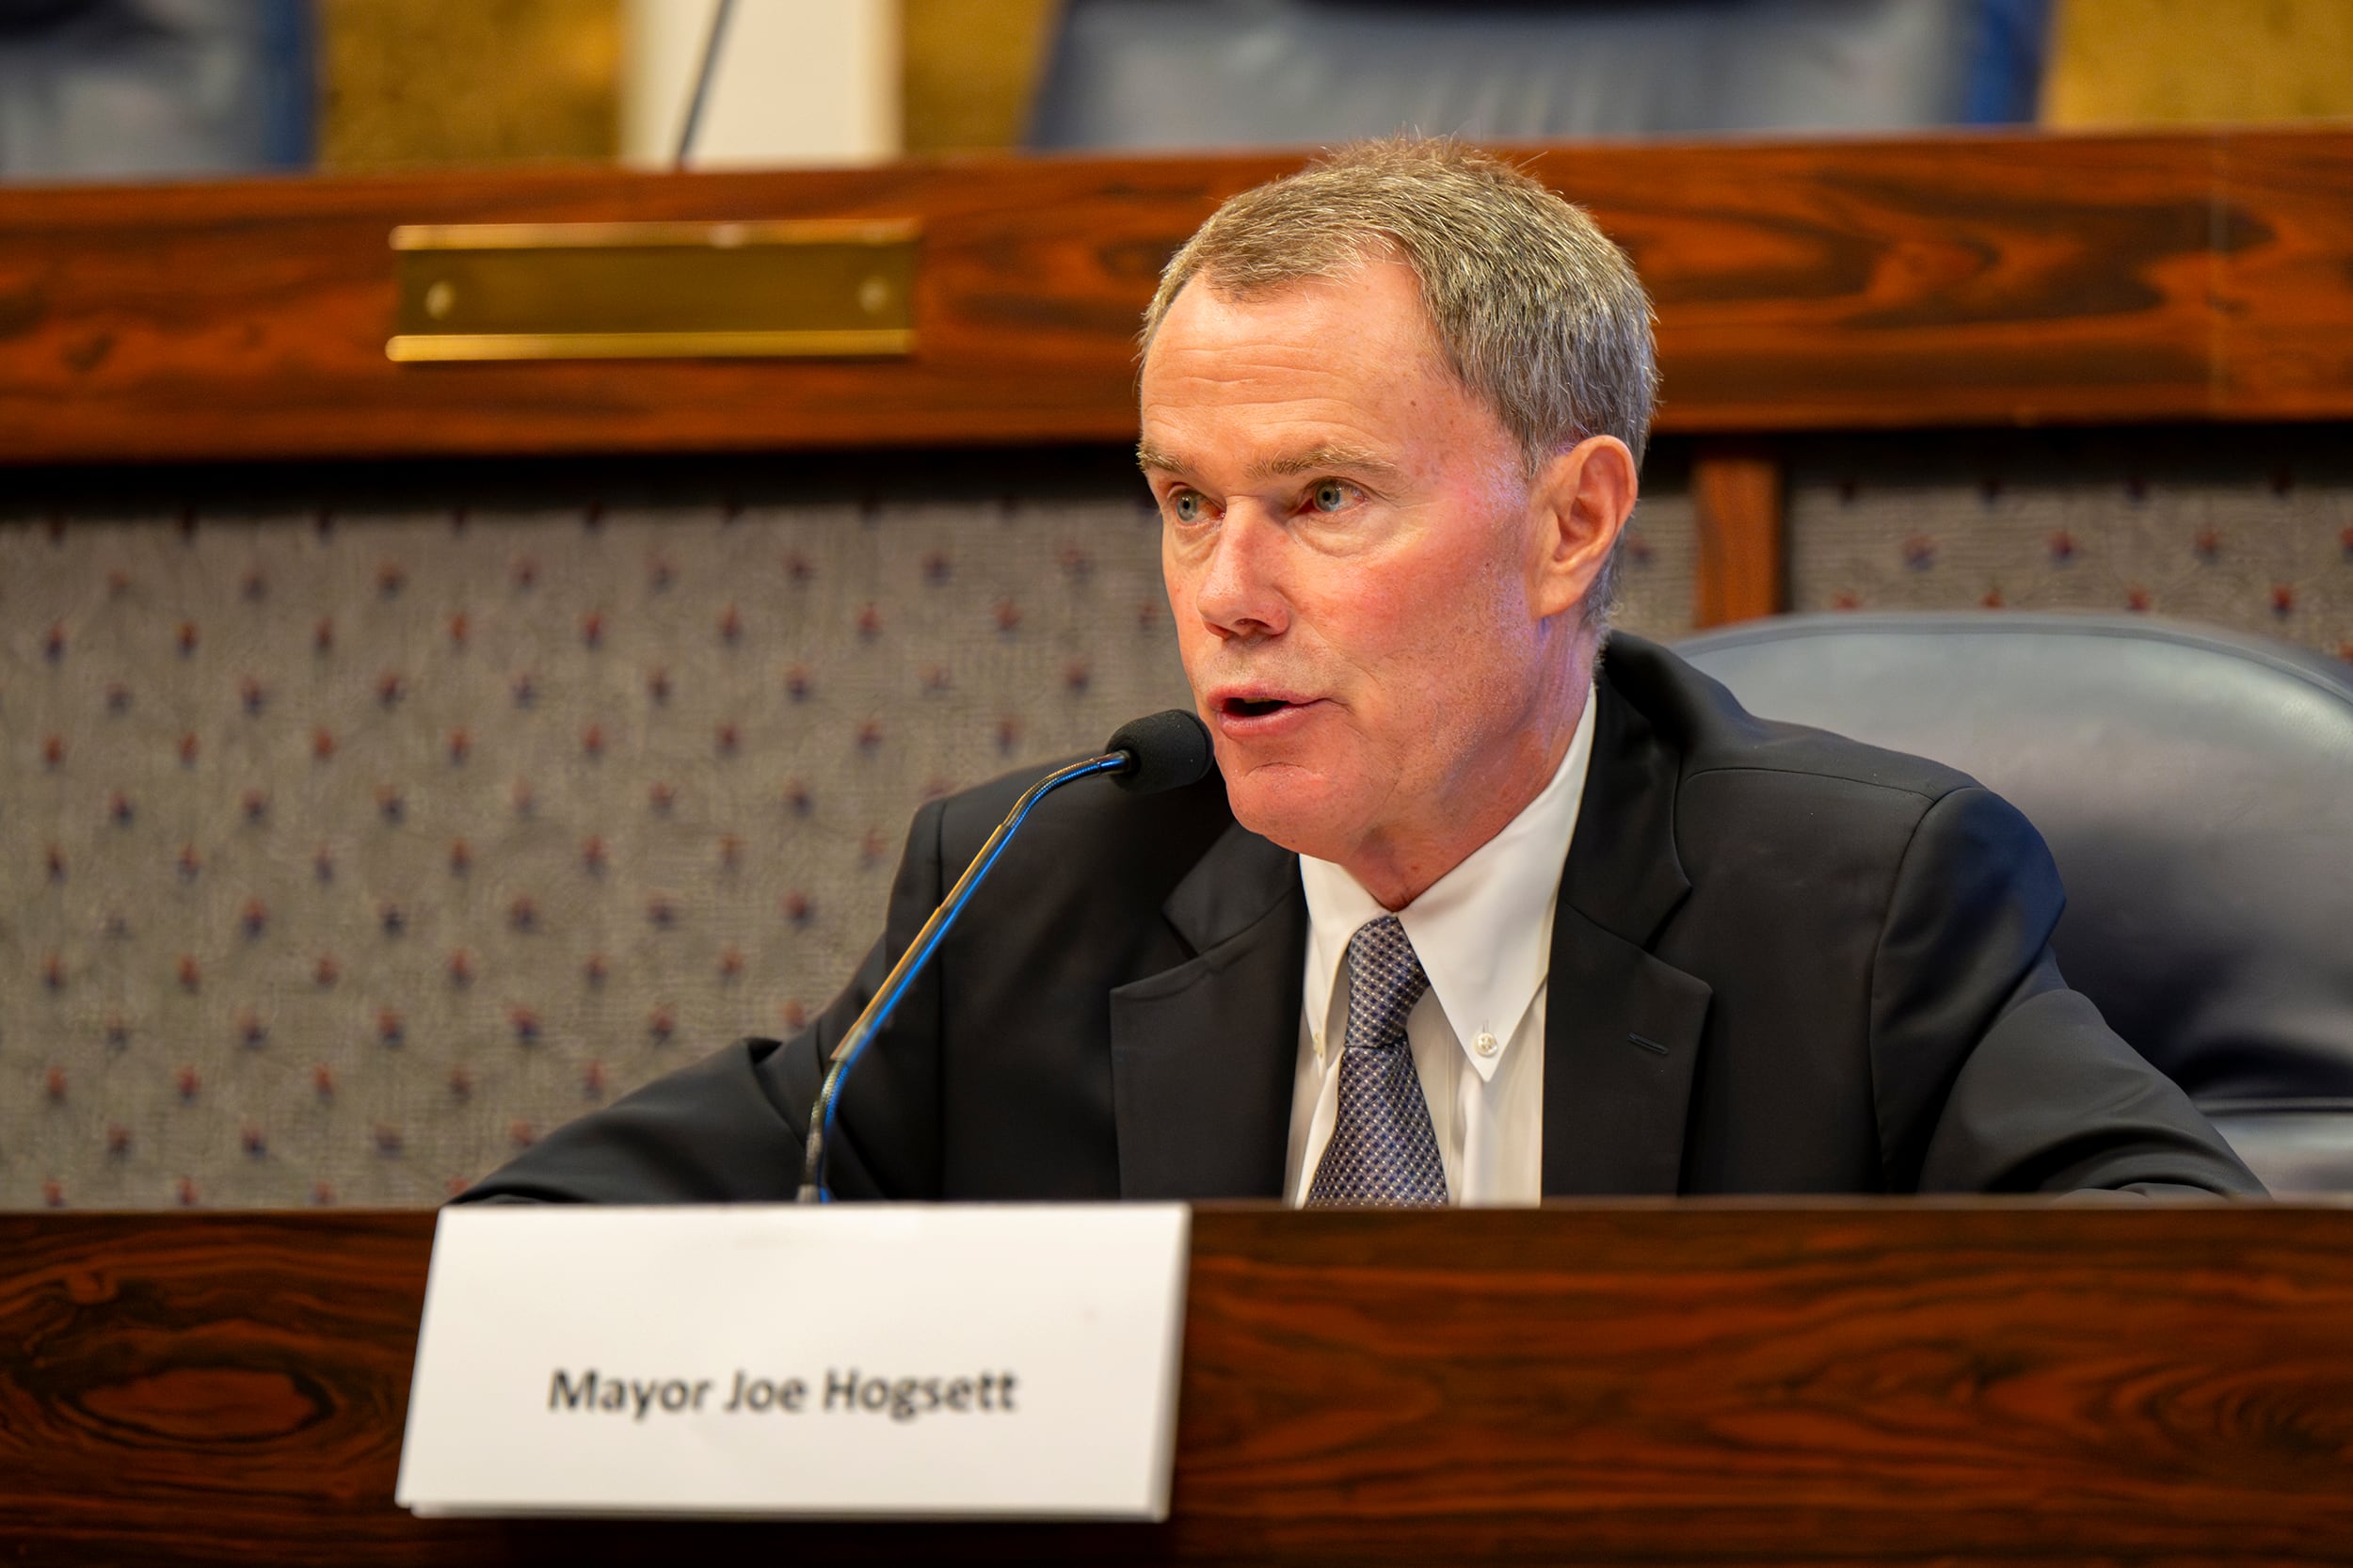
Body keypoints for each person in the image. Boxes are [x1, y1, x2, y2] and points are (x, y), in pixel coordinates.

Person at [462, 138, 2258, 1207]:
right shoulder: (1040, 884)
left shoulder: (1854, 909)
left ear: (1573, 524)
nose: (1226, 594)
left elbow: (2191, 1302)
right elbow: (535, 1246)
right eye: (1184, 501)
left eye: (1322, 498)